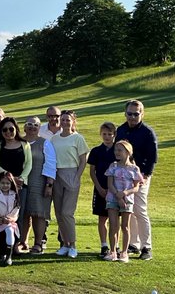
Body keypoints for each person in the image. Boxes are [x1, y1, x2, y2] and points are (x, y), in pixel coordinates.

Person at [116, 99, 157, 260]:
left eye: (136, 114)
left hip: (141, 176)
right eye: (129, 114)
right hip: (124, 176)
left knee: (140, 210)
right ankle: (133, 244)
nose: (132, 117)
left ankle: (146, 247)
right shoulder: (121, 130)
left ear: (142, 114)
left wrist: (145, 176)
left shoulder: (147, 132)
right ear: (125, 114)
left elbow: (152, 157)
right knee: (129, 210)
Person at [51, 110, 89, 258]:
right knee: (59, 213)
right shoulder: (54, 139)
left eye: (68, 120)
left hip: (72, 174)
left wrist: (77, 176)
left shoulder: (78, 138)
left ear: (73, 121)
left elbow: (83, 160)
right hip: (56, 175)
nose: (65, 122)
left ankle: (73, 245)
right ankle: (65, 244)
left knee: (67, 212)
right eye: (63, 120)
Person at [21, 116, 57, 255]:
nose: (32, 127)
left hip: (40, 182)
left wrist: (49, 184)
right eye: (29, 124)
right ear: (24, 127)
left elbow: (50, 164)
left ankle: (38, 243)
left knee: (38, 214)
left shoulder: (45, 143)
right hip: (22, 182)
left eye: (35, 125)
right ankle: (22, 242)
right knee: (23, 213)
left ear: (39, 128)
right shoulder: (19, 142)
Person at [105, 140, 143, 263]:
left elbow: (136, 187)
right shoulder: (113, 166)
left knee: (125, 226)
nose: (117, 153)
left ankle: (124, 252)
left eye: (120, 150)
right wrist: (118, 196)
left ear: (128, 152)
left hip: (127, 200)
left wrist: (125, 194)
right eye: (116, 150)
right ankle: (112, 252)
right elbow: (110, 184)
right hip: (113, 198)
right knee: (113, 225)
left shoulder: (134, 169)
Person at [88, 121, 118, 258]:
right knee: (102, 218)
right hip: (100, 189)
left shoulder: (118, 151)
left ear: (114, 135)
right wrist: (99, 188)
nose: (107, 137)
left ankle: (115, 245)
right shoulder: (96, 151)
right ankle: (104, 245)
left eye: (110, 134)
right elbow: (92, 172)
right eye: (104, 134)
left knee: (115, 219)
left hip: (116, 190)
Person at [0, 118, 32, 193]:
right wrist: (10, 177)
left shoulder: (25, 144)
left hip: (20, 184)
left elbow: (29, 164)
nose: (8, 132)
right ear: (1, 131)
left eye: (11, 129)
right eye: (5, 130)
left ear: (16, 129)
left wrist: (21, 178)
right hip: (2, 185)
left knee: (20, 205)